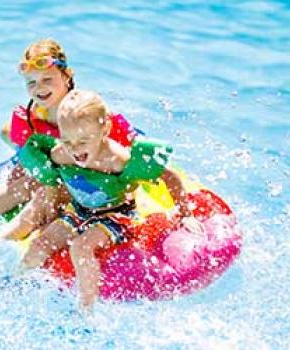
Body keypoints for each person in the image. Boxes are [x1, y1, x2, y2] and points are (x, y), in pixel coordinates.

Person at [11, 90, 198, 310]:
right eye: (67, 141)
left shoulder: (117, 159)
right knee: (40, 243)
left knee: (81, 248)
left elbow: (168, 176)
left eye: (83, 141)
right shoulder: (61, 154)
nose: (75, 149)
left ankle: (86, 309)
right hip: (78, 210)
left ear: (105, 130)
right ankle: (15, 284)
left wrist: (185, 214)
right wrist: (48, 204)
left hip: (116, 215)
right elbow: (50, 176)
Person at [0, 39, 137, 228]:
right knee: (28, 182)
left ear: (67, 76)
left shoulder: (88, 114)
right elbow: (29, 157)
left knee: (40, 185)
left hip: (85, 178)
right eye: (31, 82)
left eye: (47, 79)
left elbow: (134, 150)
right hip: (52, 173)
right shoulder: (32, 118)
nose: (38, 88)